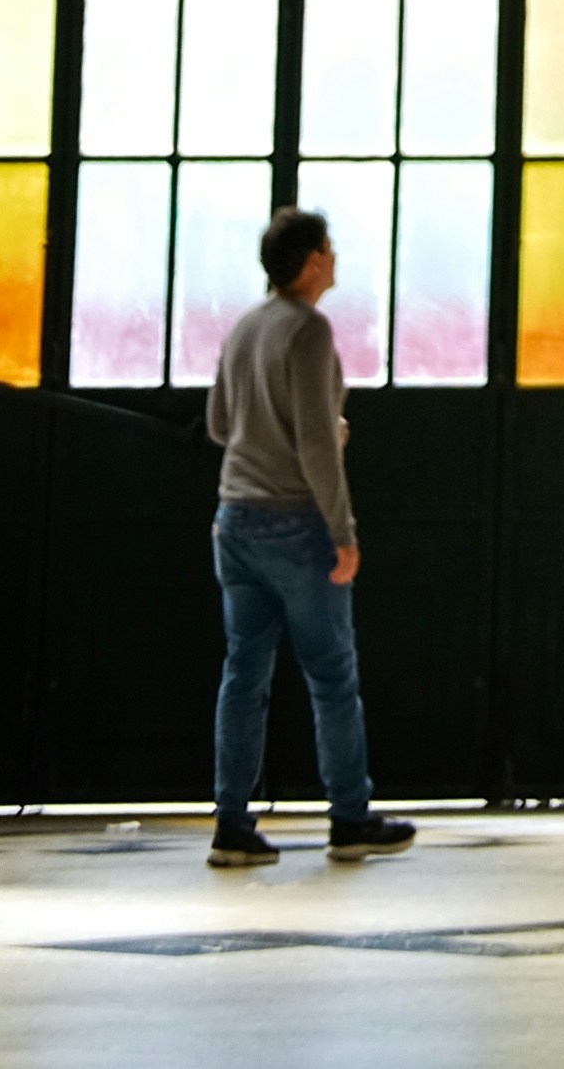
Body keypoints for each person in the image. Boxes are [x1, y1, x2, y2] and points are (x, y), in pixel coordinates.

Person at [205, 206, 412, 874]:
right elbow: (318, 443)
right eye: (329, 246)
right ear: (312, 260)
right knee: (330, 674)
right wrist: (343, 532)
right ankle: (350, 816)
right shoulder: (309, 330)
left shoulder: (244, 326)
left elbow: (217, 423)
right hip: (296, 523)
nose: (336, 254)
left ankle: (232, 824)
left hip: (234, 519)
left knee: (244, 673)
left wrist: (267, 440)